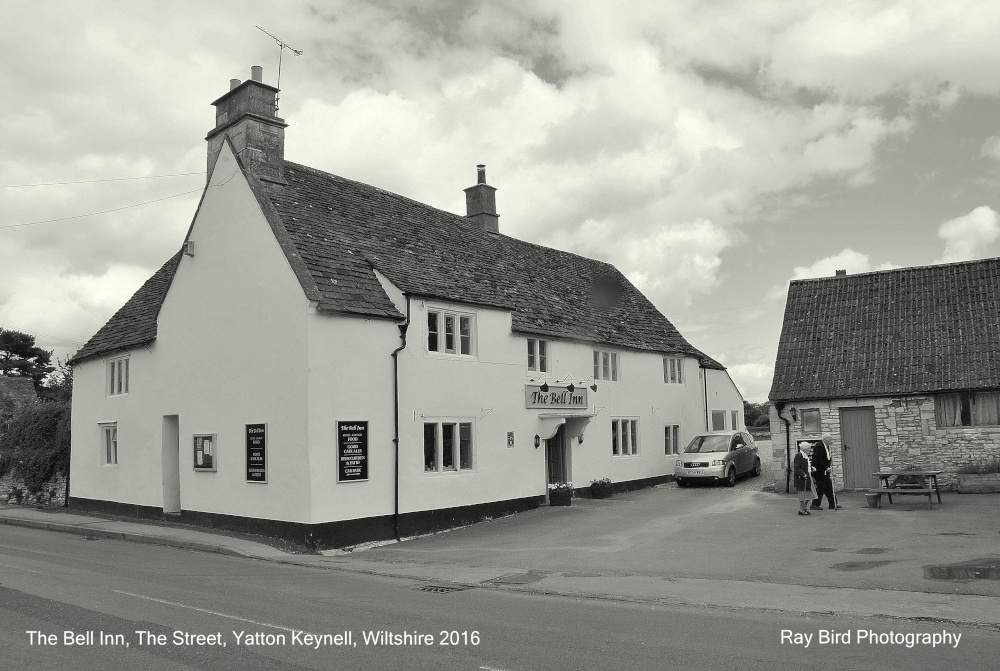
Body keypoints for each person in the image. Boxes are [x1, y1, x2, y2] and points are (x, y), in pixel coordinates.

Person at [811, 433, 841, 510]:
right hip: (820, 471)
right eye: (830, 440)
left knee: (828, 487)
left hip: (825, 470)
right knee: (820, 487)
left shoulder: (826, 446)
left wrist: (828, 466)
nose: (831, 441)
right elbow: (817, 459)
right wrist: (825, 467)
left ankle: (833, 503)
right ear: (826, 439)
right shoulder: (819, 446)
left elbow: (827, 458)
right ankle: (814, 504)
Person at [793, 443, 813, 516]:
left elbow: (806, 466)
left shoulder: (805, 456)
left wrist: (811, 469)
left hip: (807, 477)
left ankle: (803, 509)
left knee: (810, 494)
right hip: (801, 478)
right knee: (803, 494)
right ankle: (802, 510)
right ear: (804, 449)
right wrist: (803, 474)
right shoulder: (799, 455)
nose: (810, 450)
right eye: (808, 449)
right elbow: (796, 468)